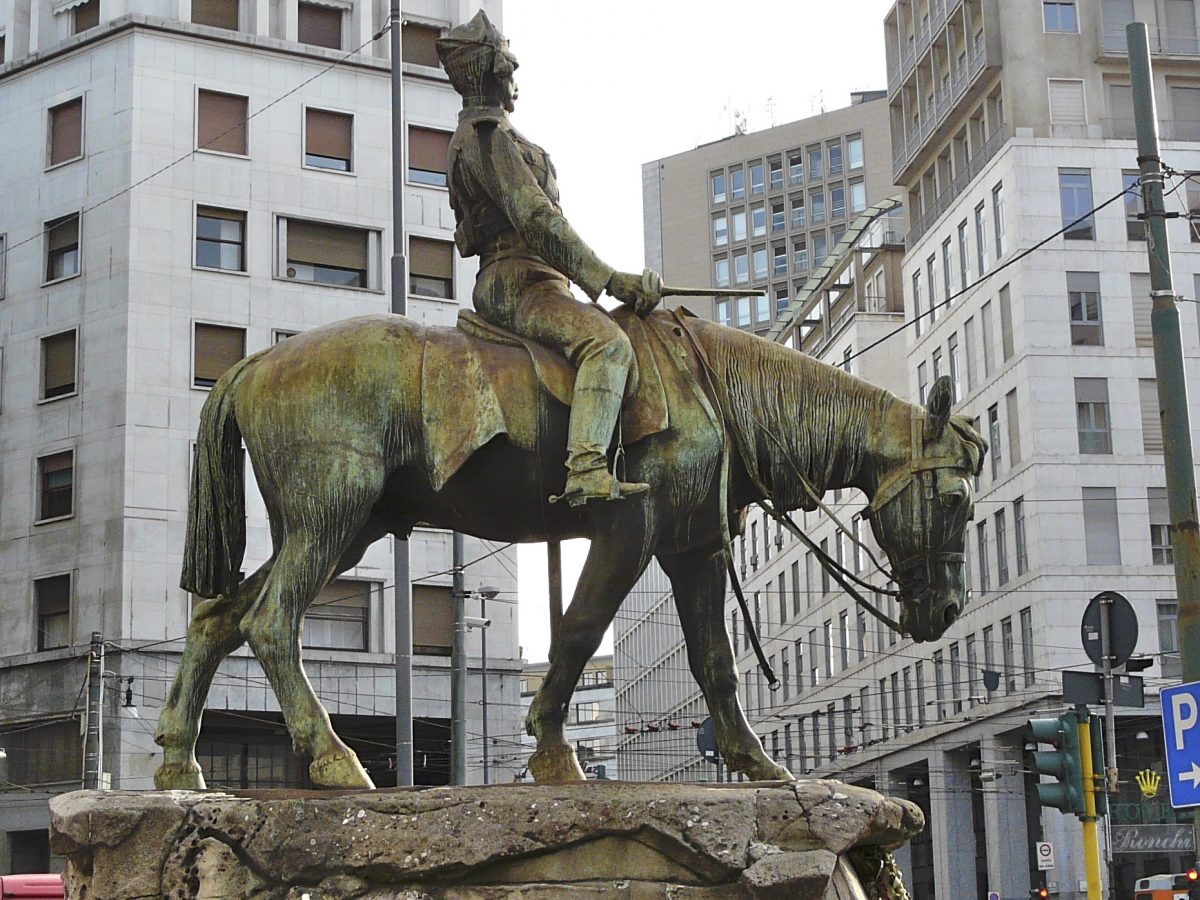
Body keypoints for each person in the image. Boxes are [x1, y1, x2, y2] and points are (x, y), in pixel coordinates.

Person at [436, 11, 659, 507]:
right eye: (508, 69)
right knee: (608, 346)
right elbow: (536, 218)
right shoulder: (486, 136)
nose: (514, 79)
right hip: (519, 282)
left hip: (539, 280)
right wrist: (611, 280)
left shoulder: (493, 135)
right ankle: (586, 467)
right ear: (491, 73)